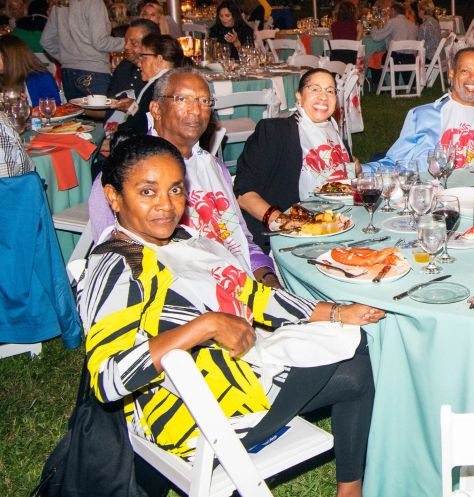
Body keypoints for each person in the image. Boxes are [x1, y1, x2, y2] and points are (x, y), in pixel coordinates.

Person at [80, 134, 382, 497]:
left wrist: (333, 312)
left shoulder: (181, 239)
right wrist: (204, 325)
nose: (166, 205)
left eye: (176, 190)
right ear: (114, 197)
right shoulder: (117, 263)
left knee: (356, 353)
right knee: (356, 356)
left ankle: (350, 490)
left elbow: (249, 294)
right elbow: (108, 377)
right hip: (199, 413)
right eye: (148, 192)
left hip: (233, 371)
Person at [89, 68, 281, 287]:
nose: (196, 110)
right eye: (183, 99)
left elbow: (242, 240)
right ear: (156, 109)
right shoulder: (125, 173)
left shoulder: (214, 167)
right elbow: (116, 264)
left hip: (240, 284)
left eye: (204, 101)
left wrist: (267, 278)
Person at [234, 69, 353, 251]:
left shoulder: (333, 133)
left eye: (330, 91)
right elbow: (243, 193)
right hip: (294, 234)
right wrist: (282, 221)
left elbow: (345, 170)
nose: (323, 97)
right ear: (299, 96)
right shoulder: (274, 132)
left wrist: (356, 167)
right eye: (315, 89)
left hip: (341, 223)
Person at [365, 47, 474, 171]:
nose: (473, 78)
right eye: (465, 71)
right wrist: (362, 170)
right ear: (451, 74)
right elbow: (395, 164)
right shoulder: (422, 117)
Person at [40, 0, 124, 98]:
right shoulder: (94, 3)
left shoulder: (60, 4)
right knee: (101, 112)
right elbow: (101, 42)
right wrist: (132, 43)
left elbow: (46, 41)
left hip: (68, 72)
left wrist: (67, 57)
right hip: (94, 70)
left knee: (78, 112)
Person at [106, 18, 160, 104]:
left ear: (151, 45)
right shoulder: (124, 67)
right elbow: (109, 103)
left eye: (133, 43)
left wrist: (132, 109)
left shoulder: (158, 73)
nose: (126, 46)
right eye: (125, 41)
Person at [0, 34, 59, 105]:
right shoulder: (3, 78)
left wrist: (26, 106)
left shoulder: (40, 78)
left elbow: (53, 109)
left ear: (10, 58)